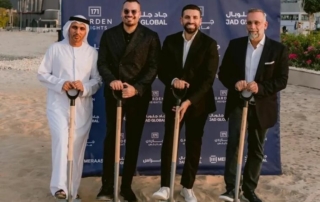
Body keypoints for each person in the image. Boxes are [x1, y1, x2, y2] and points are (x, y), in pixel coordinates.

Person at [218, 8, 289, 202]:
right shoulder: (235, 46)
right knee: (233, 146)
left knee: (256, 149)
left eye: (257, 23)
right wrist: (235, 83)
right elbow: (223, 73)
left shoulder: (278, 50)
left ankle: (249, 189)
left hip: (262, 106)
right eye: (249, 23)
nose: (253, 26)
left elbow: (282, 80)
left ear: (265, 25)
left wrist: (261, 87)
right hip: (237, 104)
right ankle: (231, 188)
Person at [152, 4, 219, 202]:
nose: (191, 21)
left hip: (198, 103)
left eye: (195, 17)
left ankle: (187, 187)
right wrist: (173, 81)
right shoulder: (170, 41)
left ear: (200, 20)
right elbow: (161, 69)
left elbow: (208, 79)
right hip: (173, 99)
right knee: (169, 143)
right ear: (181, 20)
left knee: (193, 144)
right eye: (187, 17)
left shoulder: (209, 44)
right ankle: (165, 186)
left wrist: (189, 101)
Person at [96, 0, 161, 201]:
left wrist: (137, 88)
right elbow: (102, 63)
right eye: (126, 11)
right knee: (111, 139)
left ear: (140, 14)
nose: (129, 14)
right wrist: (112, 80)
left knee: (133, 141)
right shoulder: (109, 34)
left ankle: (126, 186)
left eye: (133, 11)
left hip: (137, 97)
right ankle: (107, 185)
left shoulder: (150, 36)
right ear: (121, 13)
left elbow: (153, 67)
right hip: (114, 94)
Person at [37, 15, 102, 199]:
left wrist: (85, 87)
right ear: (68, 29)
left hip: (82, 107)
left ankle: (72, 190)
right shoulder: (55, 49)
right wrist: (60, 83)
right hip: (58, 105)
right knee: (60, 142)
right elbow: (42, 74)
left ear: (86, 32)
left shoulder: (92, 53)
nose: (77, 32)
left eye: (82, 29)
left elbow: (97, 81)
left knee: (76, 147)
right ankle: (59, 188)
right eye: (74, 28)